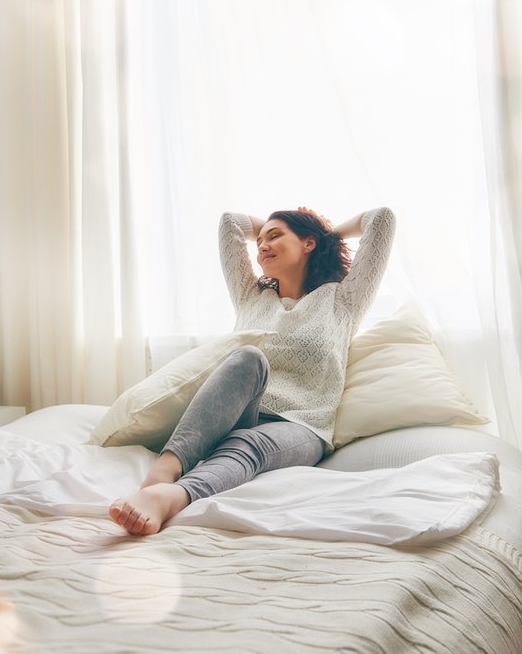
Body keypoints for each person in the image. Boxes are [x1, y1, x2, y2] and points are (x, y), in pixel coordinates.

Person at [109, 205, 396, 535]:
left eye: (274, 237)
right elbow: (230, 223)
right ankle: (163, 472)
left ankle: (172, 496)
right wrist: (277, 231)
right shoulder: (251, 296)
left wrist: (326, 232)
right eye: (259, 241)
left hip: (300, 425)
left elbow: (381, 220)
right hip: (235, 414)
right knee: (247, 357)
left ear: (309, 243)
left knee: (247, 445)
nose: (262, 246)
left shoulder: (344, 300)